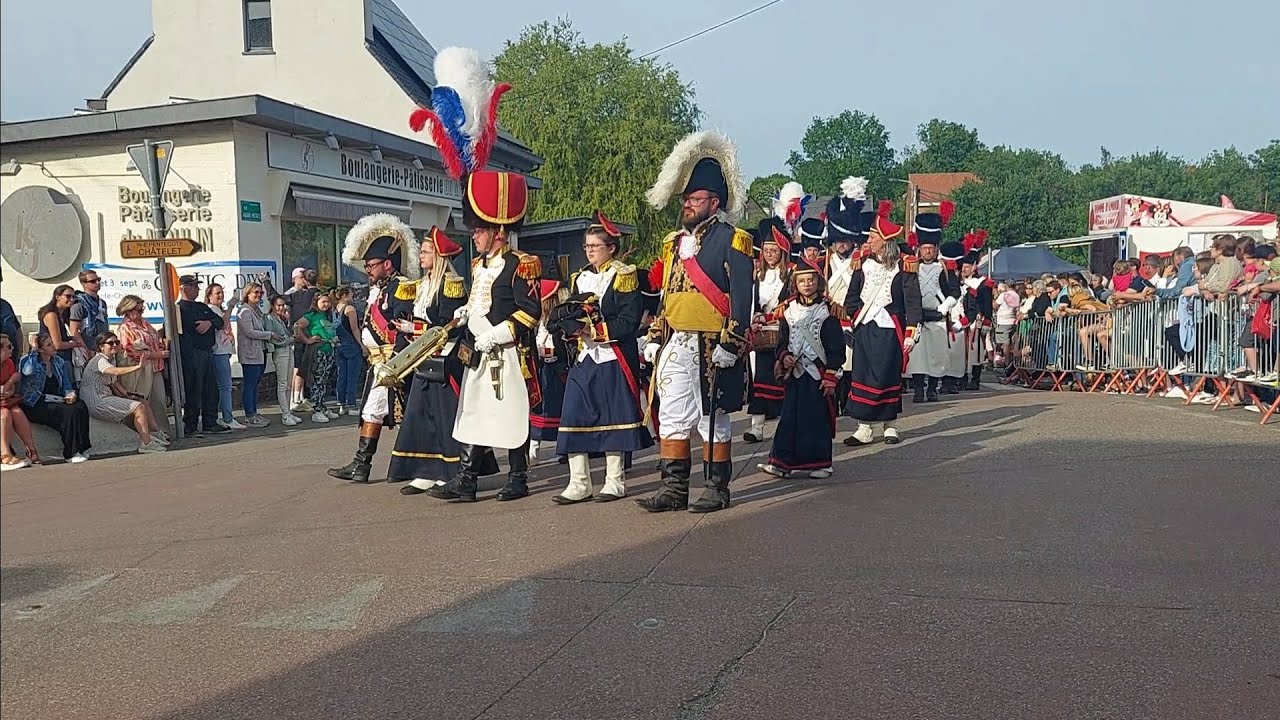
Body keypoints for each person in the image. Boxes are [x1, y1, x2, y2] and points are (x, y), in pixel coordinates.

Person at [634, 130, 755, 514]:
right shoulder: (673, 243)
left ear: (713, 202)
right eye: (685, 199)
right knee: (671, 413)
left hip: (712, 344)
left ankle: (717, 487)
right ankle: (674, 487)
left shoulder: (733, 239)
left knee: (712, 417)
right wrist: (655, 334)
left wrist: (731, 344)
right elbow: (668, 296)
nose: (687, 205)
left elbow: (741, 299)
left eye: (695, 199)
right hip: (677, 341)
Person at [425, 170, 543, 503]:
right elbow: (479, 300)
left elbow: (530, 312)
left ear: (499, 232)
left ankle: (518, 478)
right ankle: (466, 480)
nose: (474, 236)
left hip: (506, 351)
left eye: (479, 230)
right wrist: (465, 313)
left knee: (512, 415)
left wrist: (496, 334)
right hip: (477, 349)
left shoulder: (523, 264)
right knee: (473, 412)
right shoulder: (478, 265)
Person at [547, 210, 655, 504]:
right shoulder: (579, 278)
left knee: (613, 418)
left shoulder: (624, 276)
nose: (589, 251)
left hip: (613, 356)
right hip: (585, 358)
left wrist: (595, 330)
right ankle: (579, 482)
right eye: (587, 246)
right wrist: (569, 328)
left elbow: (629, 320)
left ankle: (614, 480)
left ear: (611, 248)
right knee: (573, 414)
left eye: (595, 246)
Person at [393, 227, 501, 494]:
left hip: (445, 358)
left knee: (445, 417)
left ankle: (449, 470)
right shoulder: (423, 284)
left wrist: (415, 330)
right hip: (423, 356)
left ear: (439, 257)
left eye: (427, 252)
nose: (421, 256)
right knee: (420, 414)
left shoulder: (450, 284)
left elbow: (448, 325)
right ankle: (424, 470)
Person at [326, 214, 419, 483]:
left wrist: (397, 362)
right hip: (379, 363)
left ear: (388, 264)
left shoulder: (402, 288)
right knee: (374, 411)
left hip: (395, 362)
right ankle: (362, 465)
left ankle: (408, 464)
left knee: (406, 414)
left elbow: (403, 325)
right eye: (366, 265)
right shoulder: (379, 289)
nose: (367, 269)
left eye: (372, 264)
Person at [842, 201, 922, 446]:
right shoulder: (862, 262)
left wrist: (911, 332)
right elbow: (852, 297)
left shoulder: (904, 267)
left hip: (890, 329)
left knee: (887, 376)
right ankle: (864, 427)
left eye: (873, 236)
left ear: (885, 241)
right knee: (862, 376)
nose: (869, 239)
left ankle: (890, 425)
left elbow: (912, 302)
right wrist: (848, 323)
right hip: (865, 327)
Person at [758, 260, 846, 478]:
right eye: (802, 281)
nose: (807, 284)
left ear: (819, 282)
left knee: (817, 420)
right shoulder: (787, 310)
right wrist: (784, 357)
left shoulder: (829, 310)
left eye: (811, 280)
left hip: (817, 373)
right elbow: (781, 342)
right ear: (795, 284)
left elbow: (836, 347)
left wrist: (831, 375)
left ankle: (821, 464)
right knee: (789, 419)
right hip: (795, 373)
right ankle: (781, 463)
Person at [744, 212, 795, 443]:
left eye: (773, 251)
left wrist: (771, 316)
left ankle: (787, 425)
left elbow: (794, 303)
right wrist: (754, 317)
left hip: (784, 333)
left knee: (784, 379)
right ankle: (757, 426)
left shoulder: (792, 274)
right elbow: (751, 301)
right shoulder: (757, 275)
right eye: (766, 251)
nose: (769, 255)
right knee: (761, 380)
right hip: (762, 335)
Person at [904, 202, 958, 403]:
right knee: (918, 357)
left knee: (936, 356)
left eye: (931, 248)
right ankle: (919, 389)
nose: (927, 251)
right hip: (918, 318)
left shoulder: (946, 267)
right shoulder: (910, 267)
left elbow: (955, 291)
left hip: (938, 317)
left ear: (936, 248)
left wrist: (944, 307)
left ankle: (932, 389)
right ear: (919, 248)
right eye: (924, 248)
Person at [80, 332, 168, 454]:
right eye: (110, 343)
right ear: (101, 347)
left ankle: (156, 435)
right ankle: (146, 444)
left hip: (106, 397)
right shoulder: (99, 360)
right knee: (139, 407)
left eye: (117, 342)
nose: (115, 345)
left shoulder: (111, 359)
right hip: (96, 402)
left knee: (142, 402)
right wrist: (138, 367)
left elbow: (114, 383)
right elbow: (115, 371)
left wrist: (127, 394)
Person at [823, 177, 868, 415]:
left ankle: (851, 402)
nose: (842, 245)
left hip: (853, 317)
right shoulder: (824, 262)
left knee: (852, 365)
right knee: (835, 362)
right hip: (831, 317)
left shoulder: (862, 260)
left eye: (846, 240)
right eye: (838, 240)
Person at [19, 334, 92, 462]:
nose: (53, 346)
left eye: (52, 342)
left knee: (80, 406)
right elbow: (27, 371)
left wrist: (70, 394)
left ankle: (82, 447)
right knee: (68, 412)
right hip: (35, 402)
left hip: (54, 398)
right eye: (48, 345)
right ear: (40, 349)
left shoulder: (58, 361)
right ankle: (70, 452)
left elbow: (66, 384)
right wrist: (33, 351)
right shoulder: (28, 360)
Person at [177, 275, 230, 437]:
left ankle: (210, 422)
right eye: (192, 286)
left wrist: (209, 322)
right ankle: (191, 426)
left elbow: (219, 321)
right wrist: (208, 322)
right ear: (183, 288)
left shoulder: (201, 306)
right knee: (194, 388)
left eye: (197, 286)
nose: (196, 289)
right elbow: (194, 327)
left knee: (210, 389)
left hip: (207, 351)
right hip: (192, 353)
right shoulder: (179, 309)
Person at [528, 265, 571, 466]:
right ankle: (533, 451)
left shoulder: (559, 321)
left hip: (558, 371)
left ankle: (564, 450)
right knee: (538, 410)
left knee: (561, 412)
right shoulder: (537, 324)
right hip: (542, 371)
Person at [115, 295, 171, 436]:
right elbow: (131, 351)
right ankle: (145, 433)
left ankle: (162, 431)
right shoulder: (125, 328)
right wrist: (156, 354)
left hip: (155, 367)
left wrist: (161, 345)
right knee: (141, 400)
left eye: (142, 310)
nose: (140, 313)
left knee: (159, 400)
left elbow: (155, 340)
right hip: (138, 370)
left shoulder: (145, 323)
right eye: (137, 310)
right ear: (128, 310)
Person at [952, 233, 995, 391]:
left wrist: (987, 321)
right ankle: (961, 379)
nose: (964, 269)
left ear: (975, 266)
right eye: (963, 266)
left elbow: (987, 304)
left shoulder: (983, 283)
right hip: (962, 319)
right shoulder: (958, 281)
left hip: (977, 320)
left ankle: (975, 380)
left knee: (976, 352)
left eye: (968, 266)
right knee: (961, 353)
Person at [235, 282, 275, 428]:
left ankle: (254, 412)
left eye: (260, 293)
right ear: (247, 294)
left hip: (260, 351)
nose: (258, 295)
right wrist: (269, 335)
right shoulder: (244, 311)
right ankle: (249, 415)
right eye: (255, 293)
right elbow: (249, 332)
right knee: (250, 384)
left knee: (256, 384)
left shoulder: (257, 310)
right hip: (250, 353)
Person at [205, 283, 243, 430]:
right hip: (218, 351)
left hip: (224, 350)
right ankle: (228, 418)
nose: (220, 295)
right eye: (217, 293)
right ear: (209, 296)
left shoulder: (218, 309)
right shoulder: (211, 309)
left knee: (223, 386)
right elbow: (222, 324)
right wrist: (231, 307)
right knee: (225, 386)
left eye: (221, 292)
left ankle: (224, 416)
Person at [296, 292, 339, 423]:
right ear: (316, 302)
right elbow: (297, 326)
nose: (326, 304)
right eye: (323, 302)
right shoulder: (311, 316)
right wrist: (307, 340)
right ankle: (316, 410)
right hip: (318, 351)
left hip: (329, 350)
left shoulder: (328, 315)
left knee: (324, 381)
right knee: (317, 381)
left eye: (327, 302)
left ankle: (322, 406)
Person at [2, 335, 40, 469]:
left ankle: (31, 450)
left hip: (5, 399)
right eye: (8, 347)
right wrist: (10, 382)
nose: (12, 349)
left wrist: (8, 387)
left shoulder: (9, 363)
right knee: (4, 414)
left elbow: (12, 387)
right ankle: (5, 454)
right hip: (2, 404)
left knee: (17, 412)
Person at [285, 268, 320, 412]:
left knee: (302, 368)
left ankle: (298, 398)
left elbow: (275, 297)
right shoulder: (298, 295)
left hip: (304, 337)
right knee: (299, 369)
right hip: (306, 337)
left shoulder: (298, 296)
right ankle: (295, 399)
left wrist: (266, 282)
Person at [263, 295, 301, 426]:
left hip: (289, 350)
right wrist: (289, 340)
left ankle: (289, 411)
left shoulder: (281, 318)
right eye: (278, 305)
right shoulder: (269, 318)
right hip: (280, 352)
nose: (281, 307)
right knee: (282, 383)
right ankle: (285, 414)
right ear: (272, 306)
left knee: (289, 383)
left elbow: (287, 334)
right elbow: (273, 339)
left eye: (282, 305)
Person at [332, 285, 365, 416]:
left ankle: (341, 403)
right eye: (351, 294)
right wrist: (362, 345)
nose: (353, 296)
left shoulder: (335, 309)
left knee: (342, 375)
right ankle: (351, 404)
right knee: (352, 376)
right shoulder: (350, 309)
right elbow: (355, 329)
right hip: (351, 344)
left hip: (339, 344)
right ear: (345, 296)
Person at [69, 269, 109, 376]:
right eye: (93, 281)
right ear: (84, 284)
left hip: (102, 348)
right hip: (88, 348)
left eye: (98, 280)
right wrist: (86, 350)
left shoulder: (102, 303)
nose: (97, 283)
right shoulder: (78, 304)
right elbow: (74, 331)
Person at [37, 285, 81, 366]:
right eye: (68, 296)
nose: (71, 299)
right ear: (57, 297)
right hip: (56, 359)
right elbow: (58, 344)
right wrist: (75, 344)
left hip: (62, 357)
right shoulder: (51, 315)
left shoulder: (63, 314)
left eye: (73, 297)